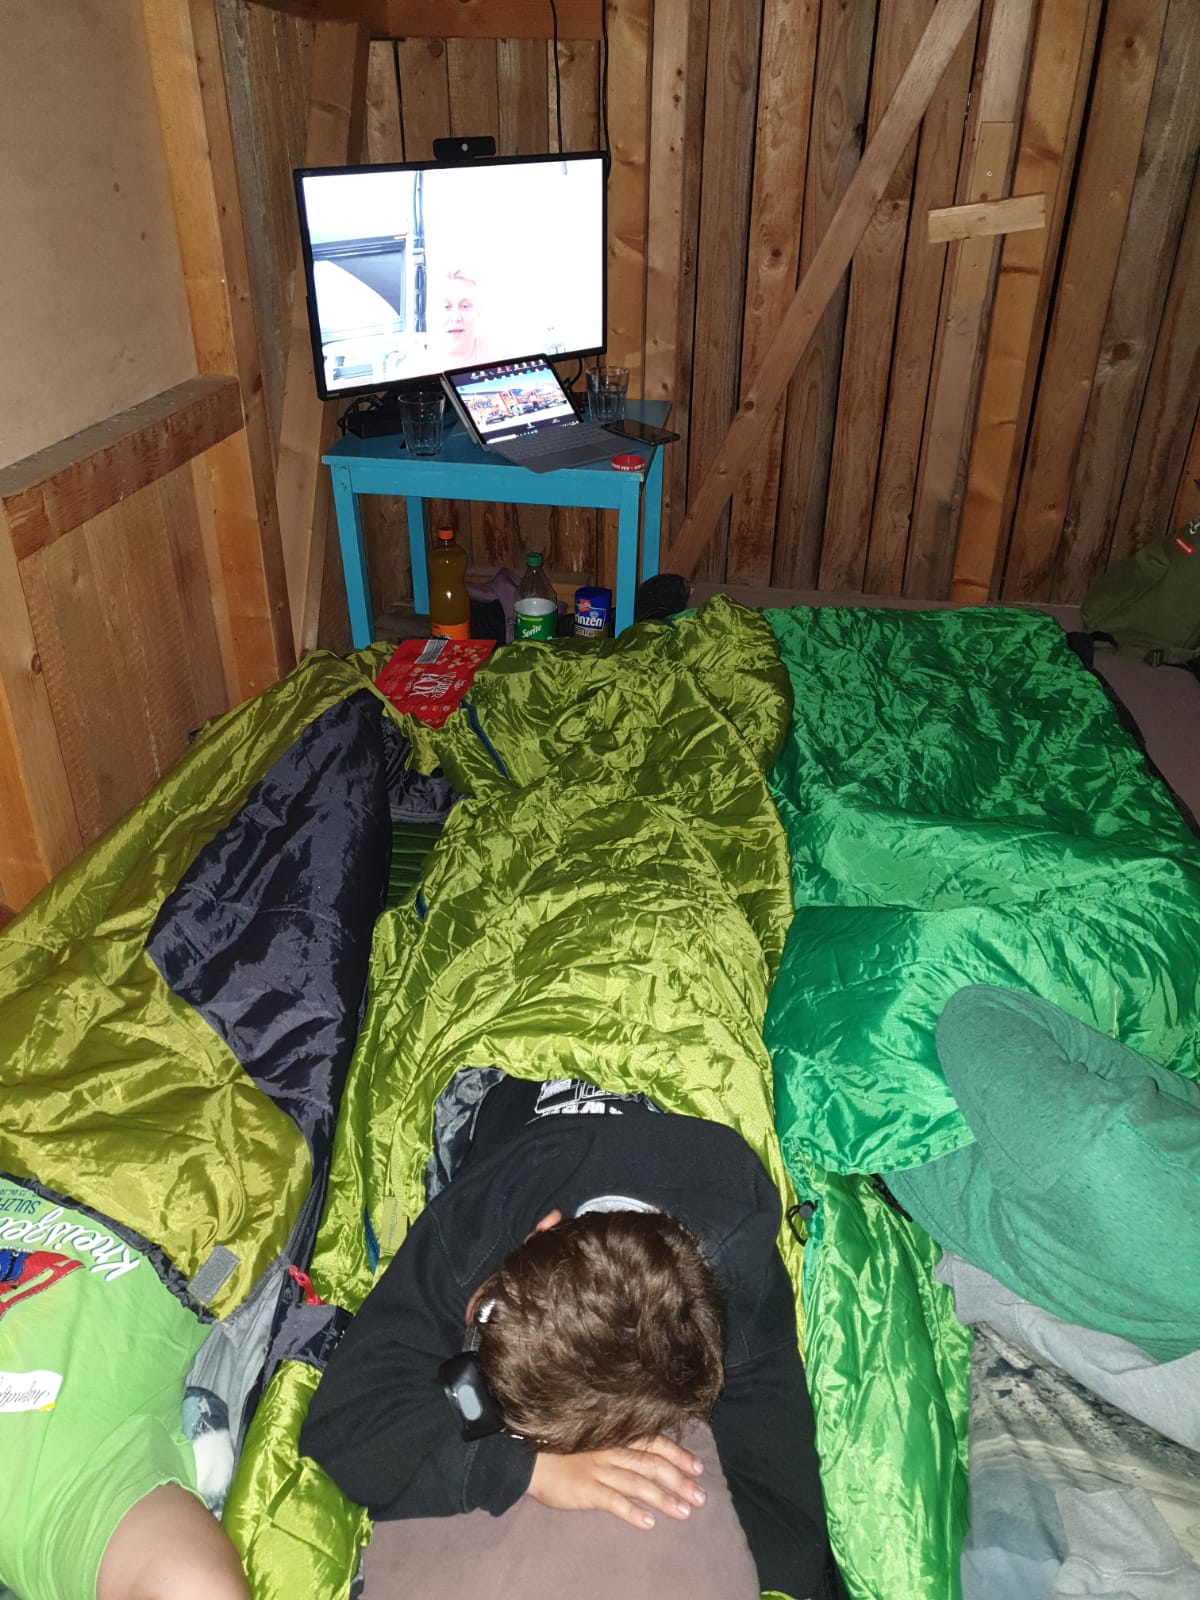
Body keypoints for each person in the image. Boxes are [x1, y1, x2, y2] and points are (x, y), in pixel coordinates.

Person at [299, 1075, 843, 1600]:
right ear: (540, 1230)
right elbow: (345, 1425)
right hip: (517, 1082)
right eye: (483, 1315)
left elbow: (789, 1540)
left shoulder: (736, 1290)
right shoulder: (482, 1223)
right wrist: (525, 1470)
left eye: (481, 1314)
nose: (472, 1319)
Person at [439, 267, 484, 365]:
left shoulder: (501, 357)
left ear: (478, 312)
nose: (455, 317)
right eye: (446, 307)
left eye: (465, 306)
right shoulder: (415, 367)